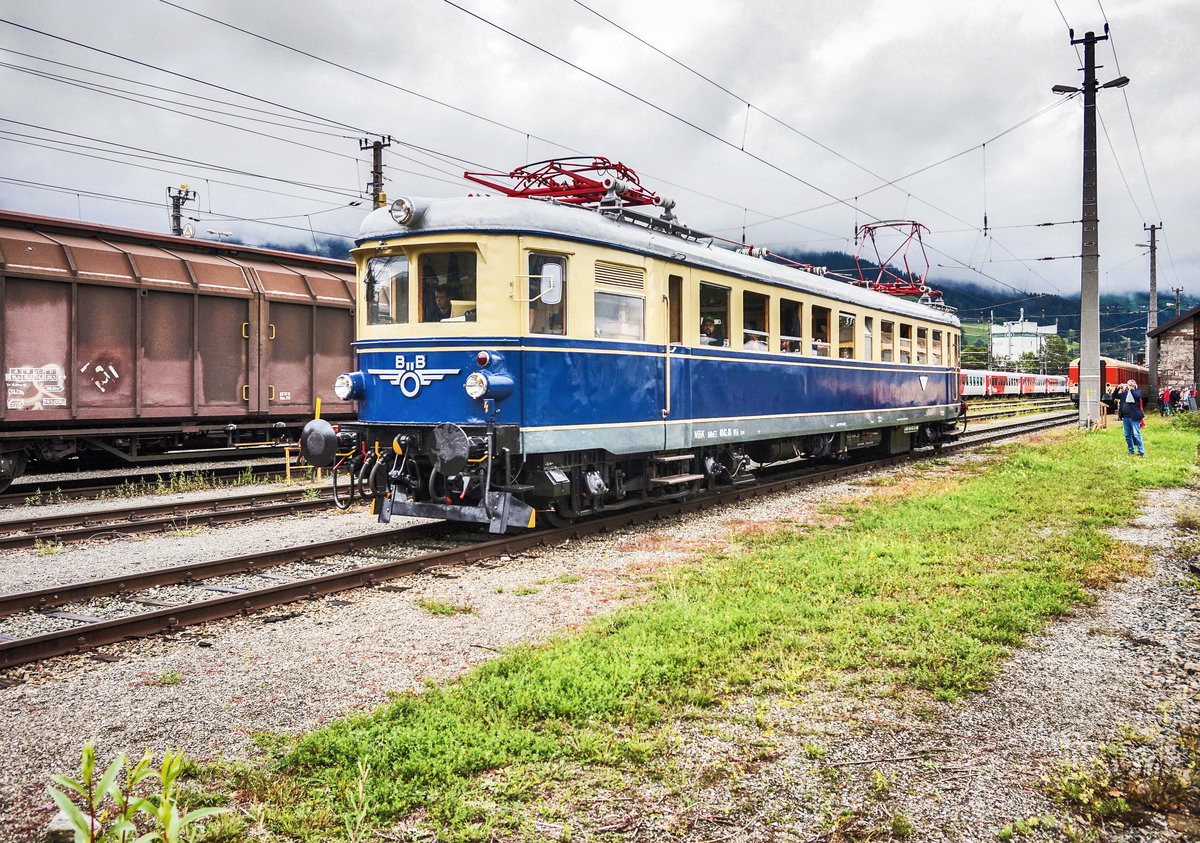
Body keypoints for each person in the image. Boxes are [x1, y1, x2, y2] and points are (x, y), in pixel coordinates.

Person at [1115, 379, 1144, 457]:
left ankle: (1141, 451)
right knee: (1127, 435)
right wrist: (1117, 388)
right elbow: (1115, 396)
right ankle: (1131, 450)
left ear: (1133, 386)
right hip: (1126, 417)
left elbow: (1137, 396)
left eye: (1129, 385)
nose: (1127, 386)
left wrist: (1131, 389)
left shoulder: (1137, 392)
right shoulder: (1124, 394)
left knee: (1136, 434)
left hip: (1134, 417)